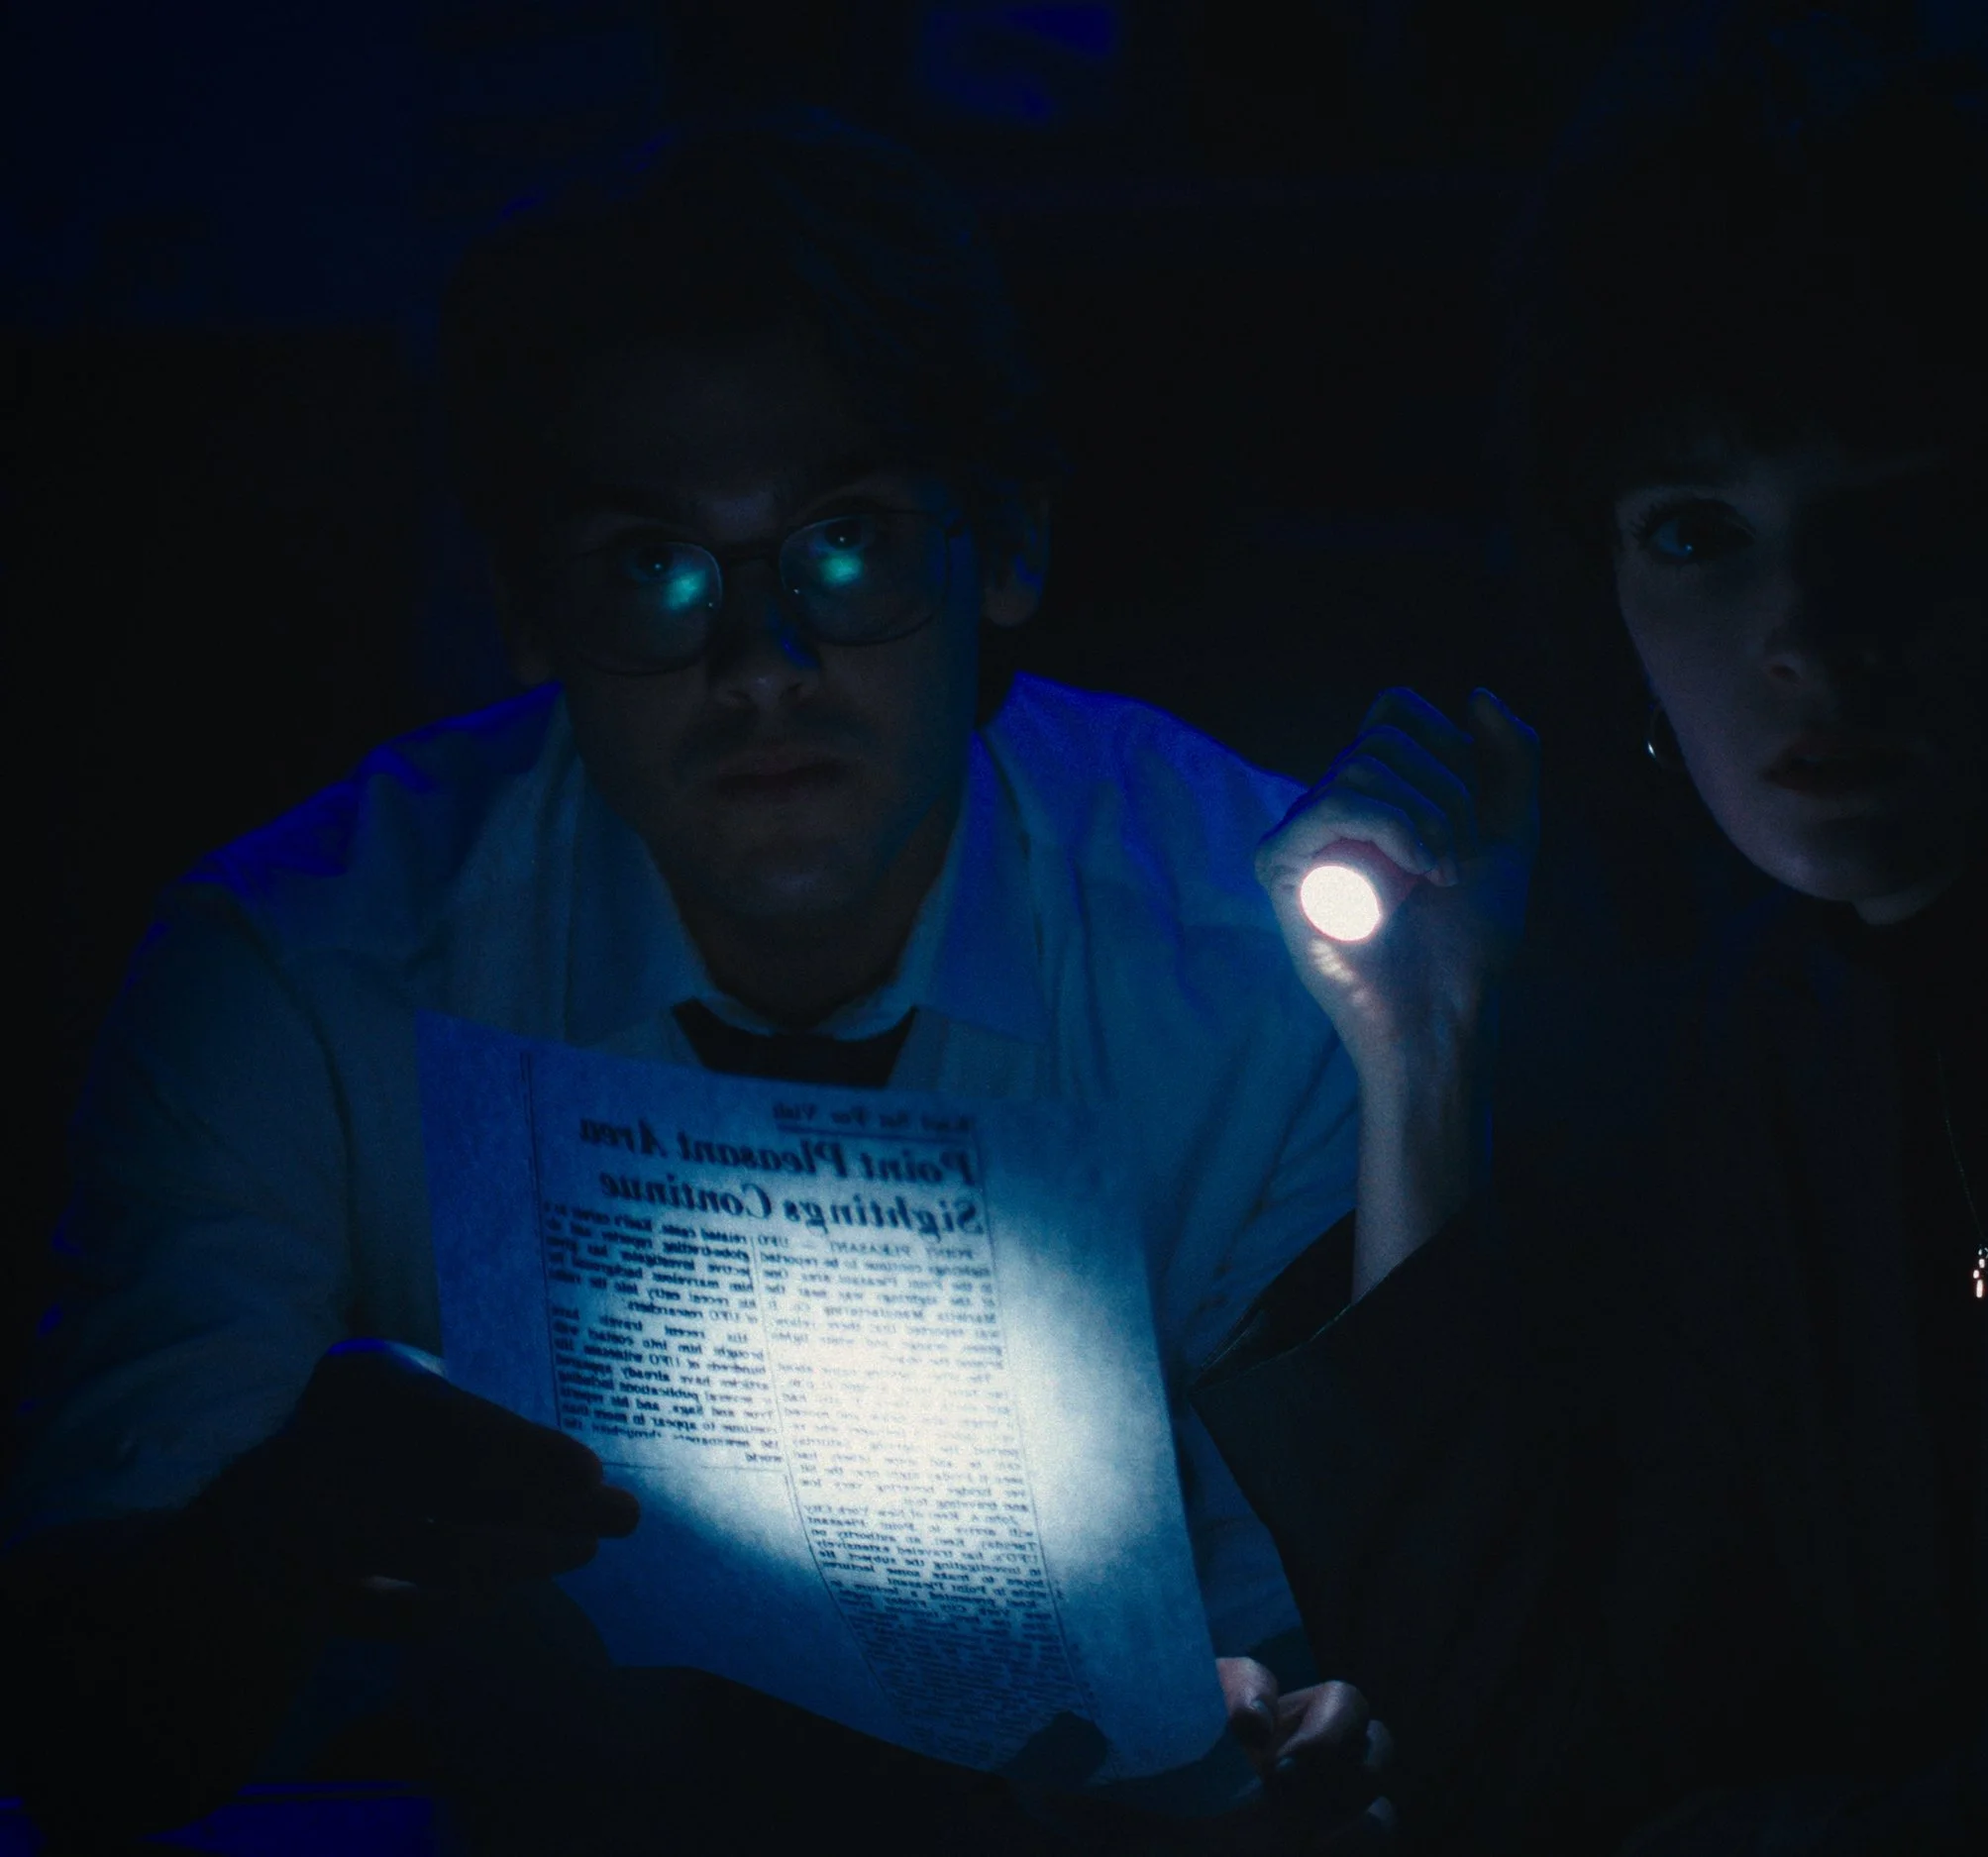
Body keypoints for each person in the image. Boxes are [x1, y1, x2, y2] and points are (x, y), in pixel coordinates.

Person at [2, 112, 1392, 1853]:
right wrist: (285, 1528)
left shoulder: (1265, 963)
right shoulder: (298, 972)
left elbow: (1366, 1642)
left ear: (1009, 545)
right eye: (654, 569)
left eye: (848, 543)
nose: (761, 666)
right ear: (527, 610)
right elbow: (75, 1739)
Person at [1201, 23, 1988, 1856]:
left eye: (1900, 514)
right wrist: (1426, 1052)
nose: (1806, 628)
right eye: (1699, 531)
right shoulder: (1774, 1046)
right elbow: (1513, 1758)